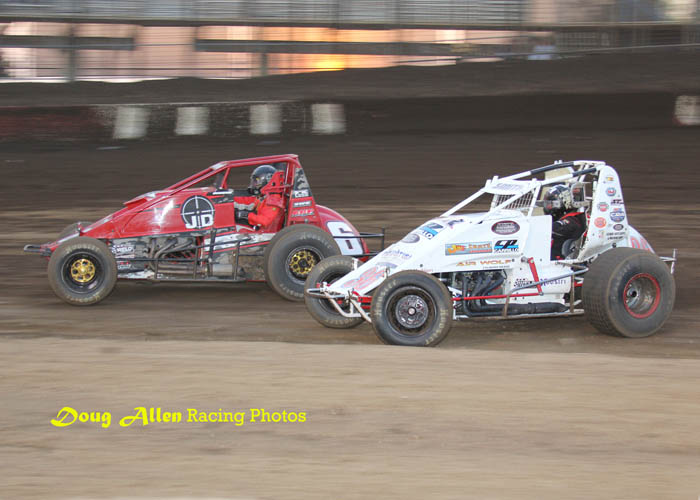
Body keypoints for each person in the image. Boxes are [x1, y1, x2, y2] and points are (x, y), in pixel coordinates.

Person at [234, 165, 285, 231]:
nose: (254, 184)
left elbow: (265, 221)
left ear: (267, 181)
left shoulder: (274, 200)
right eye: (253, 181)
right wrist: (230, 198)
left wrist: (247, 215)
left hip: (264, 233)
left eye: (256, 181)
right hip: (257, 228)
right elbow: (248, 201)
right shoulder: (264, 196)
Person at [543, 184, 586, 260]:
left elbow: (556, 227)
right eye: (547, 204)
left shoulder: (573, 220)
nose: (548, 207)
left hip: (559, 263)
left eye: (551, 204)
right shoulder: (566, 218)